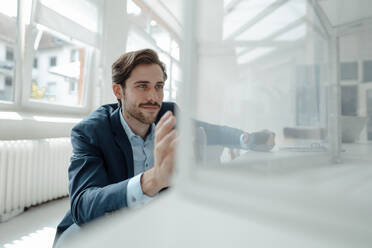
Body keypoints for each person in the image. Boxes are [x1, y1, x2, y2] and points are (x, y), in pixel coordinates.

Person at [53, 48, 275, 247]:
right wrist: (151, 181)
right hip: (101, 222)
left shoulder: (168, 114)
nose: (153, 97)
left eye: (158, 87)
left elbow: (213, 130)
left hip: (154, 220)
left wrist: (248, 139)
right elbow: (83, 204)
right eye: (142, 86)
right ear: (118, 91)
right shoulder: (92, 131)